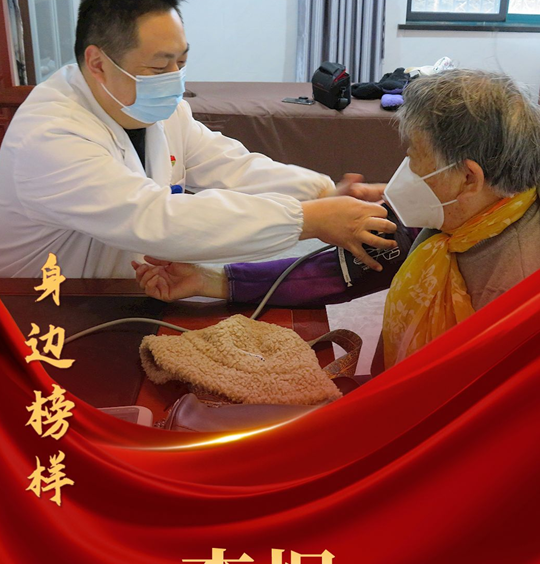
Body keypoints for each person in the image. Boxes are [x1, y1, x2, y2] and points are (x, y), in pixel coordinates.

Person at [0, 0, 397, 280]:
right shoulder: (50, 133)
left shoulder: (155, 108)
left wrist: (322, 191)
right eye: (159, 66)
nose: (174, 78)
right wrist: (308, 219)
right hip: (35, 304)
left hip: (111, 292)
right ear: (97, 62)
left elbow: (229, 164)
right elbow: (155, 219)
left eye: (181, 61)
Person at [133, 70, 540, 373]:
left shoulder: (514, 291)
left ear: (469, 178)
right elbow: (346, 269)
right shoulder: (459, 213)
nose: (404, 171)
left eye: (416, 156)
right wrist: (212, 280)